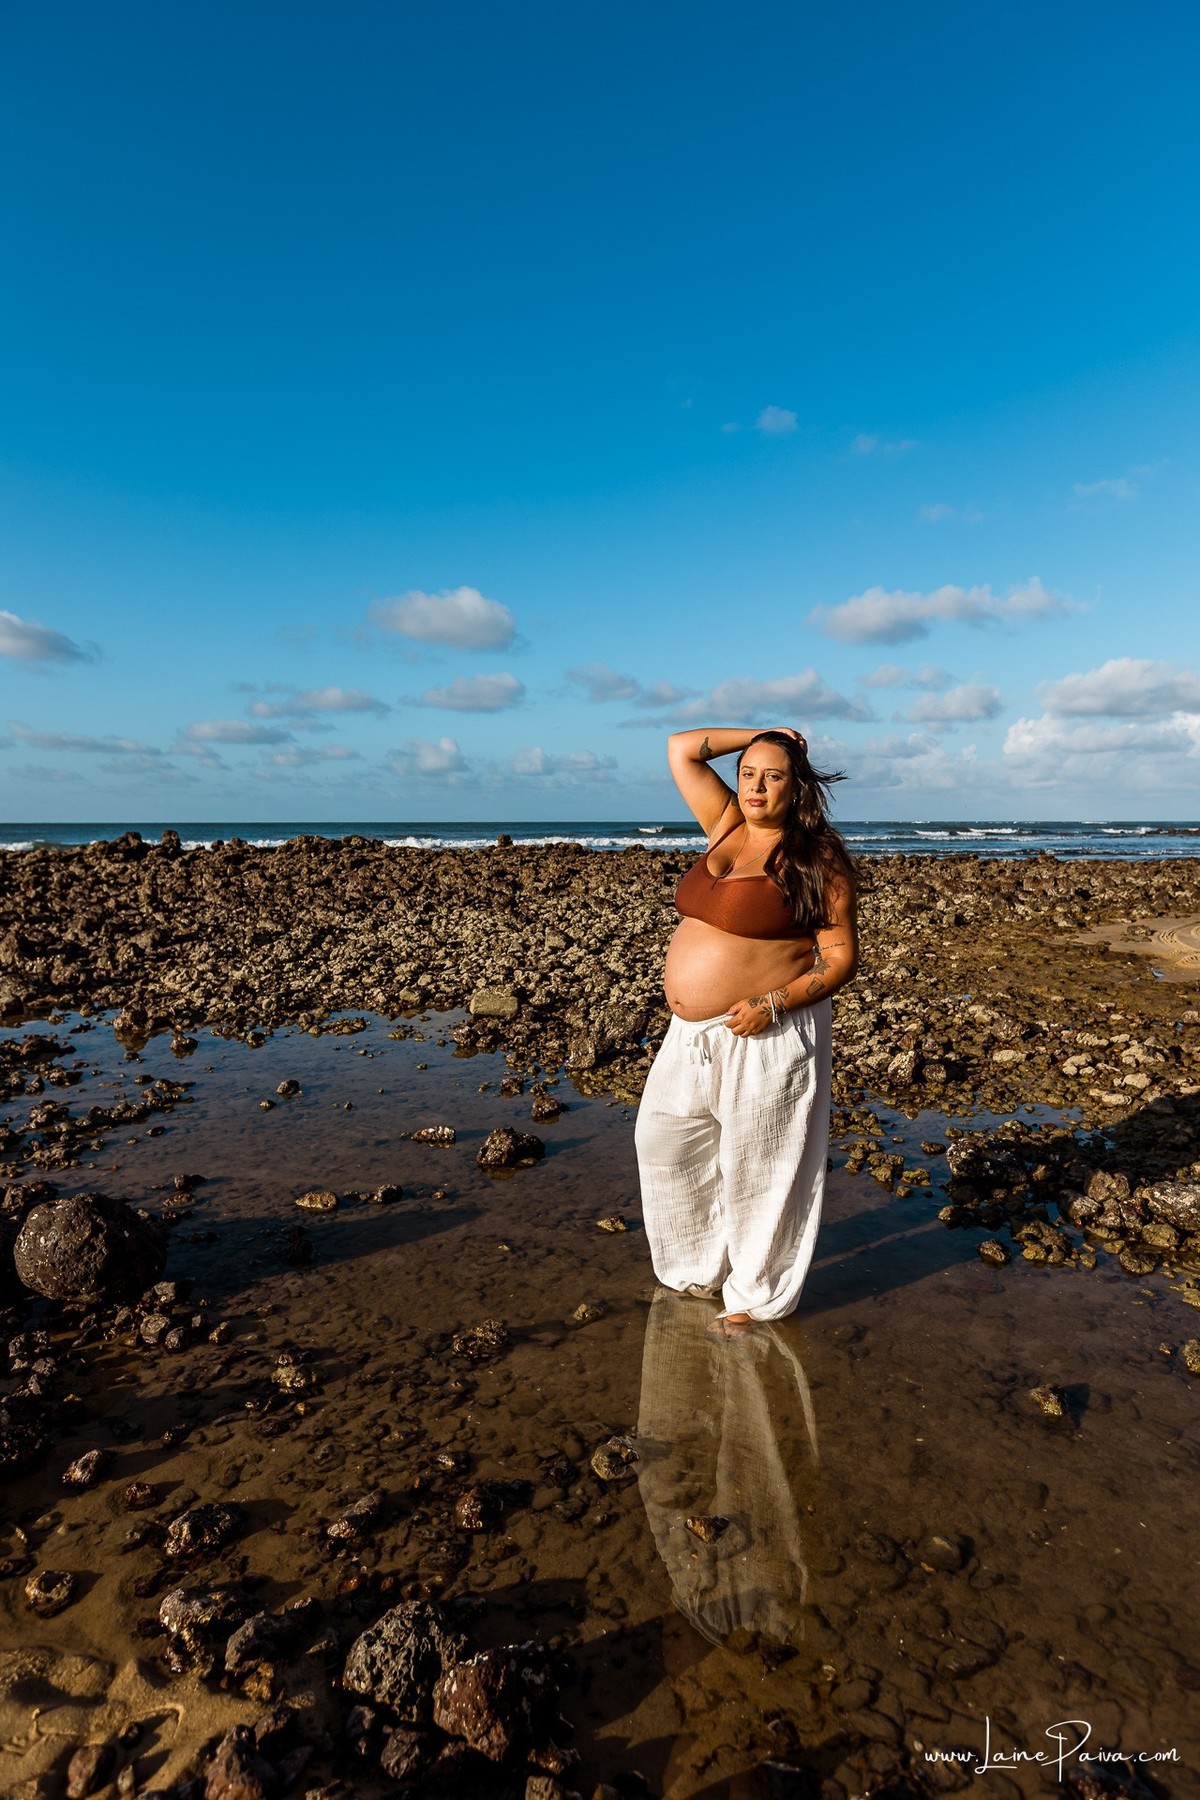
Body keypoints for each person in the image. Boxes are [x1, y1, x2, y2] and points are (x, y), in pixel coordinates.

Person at [634, 726, 858, 1332]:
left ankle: (755, 1298)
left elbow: (839, 960)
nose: (757, 786)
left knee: (762, 1167)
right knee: (665, 1145)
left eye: (774, 774)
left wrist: (774, 1002)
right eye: (748, 773)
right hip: (690, 1038)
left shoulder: (818, 860)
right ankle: (696, 1269)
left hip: (765, 1034)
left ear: (798, 786)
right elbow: (681, 746)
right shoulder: (727, 826)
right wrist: (771, 732)